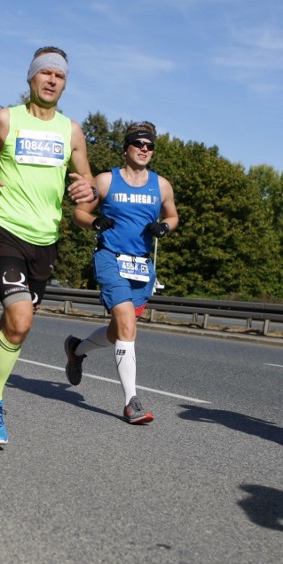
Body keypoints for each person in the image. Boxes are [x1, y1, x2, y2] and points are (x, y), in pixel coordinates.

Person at [0, 46, 95, 444]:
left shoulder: (72, 131)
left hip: (45, 242)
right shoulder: (6, 119)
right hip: (5, 230)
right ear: (31, 78)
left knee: (14, 326)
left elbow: (86, 191)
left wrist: (88, 192)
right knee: (20, 321)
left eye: (61, 76)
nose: (52, 80)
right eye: (45, 73)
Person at [63, 122, 179, 424]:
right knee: (127, 323)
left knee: (119, 333)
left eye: (149, 145)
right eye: (138, 143)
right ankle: (132, 403)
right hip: (110, 259)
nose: (144, 148)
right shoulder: (105, 181)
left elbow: (173, 214)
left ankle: (76, 349)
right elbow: (79, 212)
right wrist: (95, 222)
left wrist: (164, 226)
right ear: (126, 147)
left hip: (141, 267)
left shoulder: (161, 185)